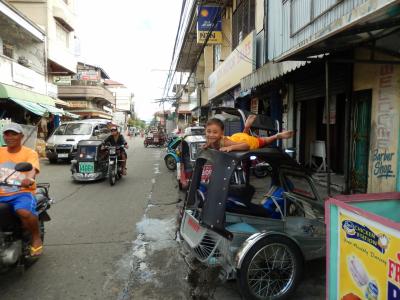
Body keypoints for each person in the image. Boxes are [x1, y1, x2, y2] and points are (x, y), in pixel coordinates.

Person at [0, 123, 42, 256]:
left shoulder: (30, 153)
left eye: (14, 134)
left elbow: (31, 169)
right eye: (7, 134)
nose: (10, 137)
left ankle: (36, 237)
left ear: (21, 136)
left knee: (23, 211)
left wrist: (28, 180)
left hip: (21, 192)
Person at [204, 115, 294, 152]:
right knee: (244, 136)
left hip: (246, 142)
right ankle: (246, 127)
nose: (211, 135)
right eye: (208, 131)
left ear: (221, 133)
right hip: (237, 137)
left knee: (263, 141)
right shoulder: (211, 140)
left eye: (215, 132)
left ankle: (276, 136)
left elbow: (246, 145)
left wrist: (230, 147)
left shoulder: (226, 143)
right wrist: (206, 146)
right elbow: (211, 144)